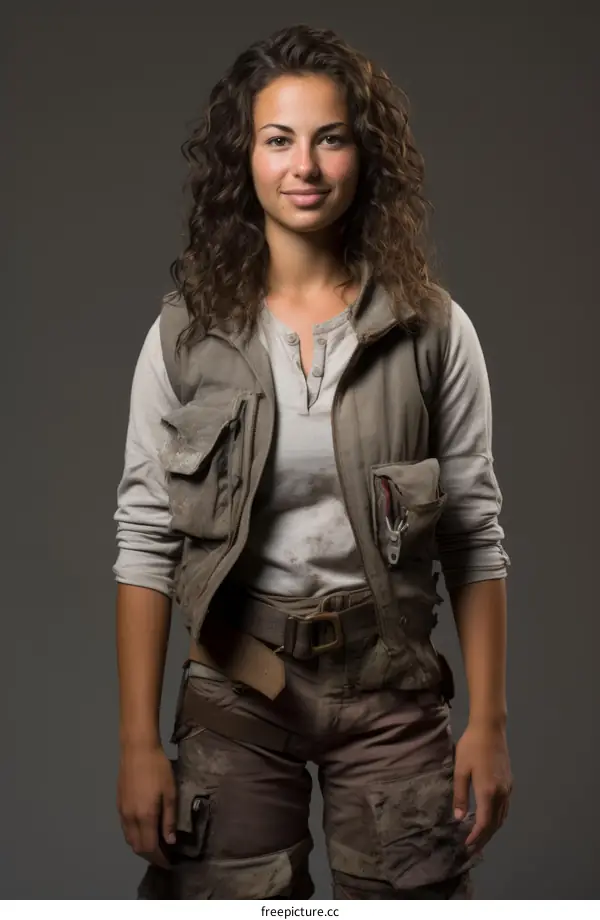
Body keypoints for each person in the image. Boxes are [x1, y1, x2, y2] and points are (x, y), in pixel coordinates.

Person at [113, 22, 513, 900]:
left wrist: (489, 722)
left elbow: (475, 535)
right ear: (243, 158)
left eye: (330, 137)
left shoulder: (434, 329)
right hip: (235, 692)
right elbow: (145, 541)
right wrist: (139, 742)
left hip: (392, 696)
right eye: (279, 139)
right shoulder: (184, 336)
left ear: (362, 157)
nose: (306, 165)